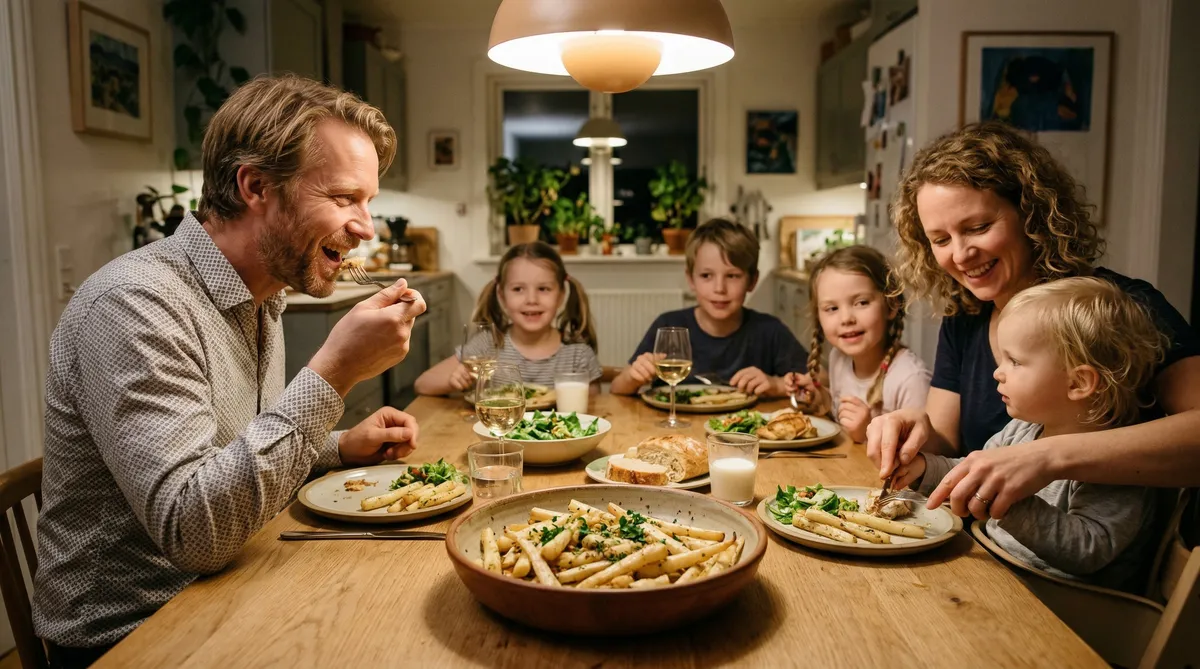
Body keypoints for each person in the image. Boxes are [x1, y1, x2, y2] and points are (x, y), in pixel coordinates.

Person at [33, 76, 427, 665]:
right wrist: (334, 373)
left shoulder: (261, 294)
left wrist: (339, 447)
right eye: (345, 198)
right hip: (134, 636)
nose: (367, 227)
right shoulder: (134, 305)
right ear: (255, 186)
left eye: (368, 201)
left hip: (231, 583)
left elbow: (225, 457)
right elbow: (193, 532)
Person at [866, 121, 1200, 520]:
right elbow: (946, 440)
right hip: (988, 553)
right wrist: (913, 427)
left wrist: (1049, 457)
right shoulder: (965, 318)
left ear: (1032, 213)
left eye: (978, 228)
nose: (960, 254)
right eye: (940, 240)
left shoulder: (1123, 307)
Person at [893, 278, 1163, 593]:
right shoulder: (1025, 428)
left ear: (1078, 383)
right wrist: (923, 468)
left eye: (1015, 361)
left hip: (1064, 605)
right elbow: (969, 469)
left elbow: (1090, 550)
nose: (998, 371)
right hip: (999, 575)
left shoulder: (1115, 463)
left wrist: (1005, 500)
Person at [611, 218, 807, 397]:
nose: (719, 288)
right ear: (691, 280)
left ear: (752, 281)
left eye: (732, 276)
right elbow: (617, 388)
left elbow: (819, 378)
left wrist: (777, 384)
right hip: (675, 432)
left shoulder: (769, 330)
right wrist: (633, 377)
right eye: (706, 276)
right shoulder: (669, 325)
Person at [785, 246, 931, 442]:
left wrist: (867, 433)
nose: (846, 318)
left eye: (861, 302)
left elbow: (921, 460)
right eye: (832, 308)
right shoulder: (839, 358)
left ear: (891, 305)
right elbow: (840, 416)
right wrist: (820, 399)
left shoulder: (910, 379)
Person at [414, 241, 601, 393]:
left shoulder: (578, 353)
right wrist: (453, 379)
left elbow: (594, 410)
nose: (531, 300)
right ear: (502, 295)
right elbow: (422, 384)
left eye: (543, 289)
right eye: (518, 289)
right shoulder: (489, 345)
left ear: (560, 295)